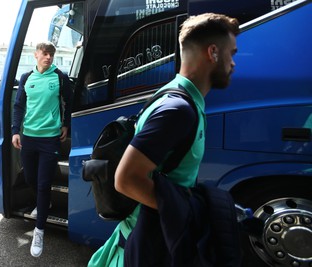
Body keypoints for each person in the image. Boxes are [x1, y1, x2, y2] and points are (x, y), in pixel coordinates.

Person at [88, 13, 240, 266]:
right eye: (231, 53)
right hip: (149, 245)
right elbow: (126, 180)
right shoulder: (177, 110)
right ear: (213, 52)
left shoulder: (178, 97)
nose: (233, 63)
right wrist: (186, 212)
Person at [11, 42, 72, 258]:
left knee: (44, 184)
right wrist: (15, 131)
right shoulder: (27, 77)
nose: (48, 57)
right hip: (28, 137)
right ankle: (43, 203)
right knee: (29, 179)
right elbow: (19, 106)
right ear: (36, 54)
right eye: (45, 54)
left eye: (51, 54)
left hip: (49, 140)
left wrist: (65, 124)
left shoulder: (60, 77)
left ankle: (39, 231)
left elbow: (69, 102)